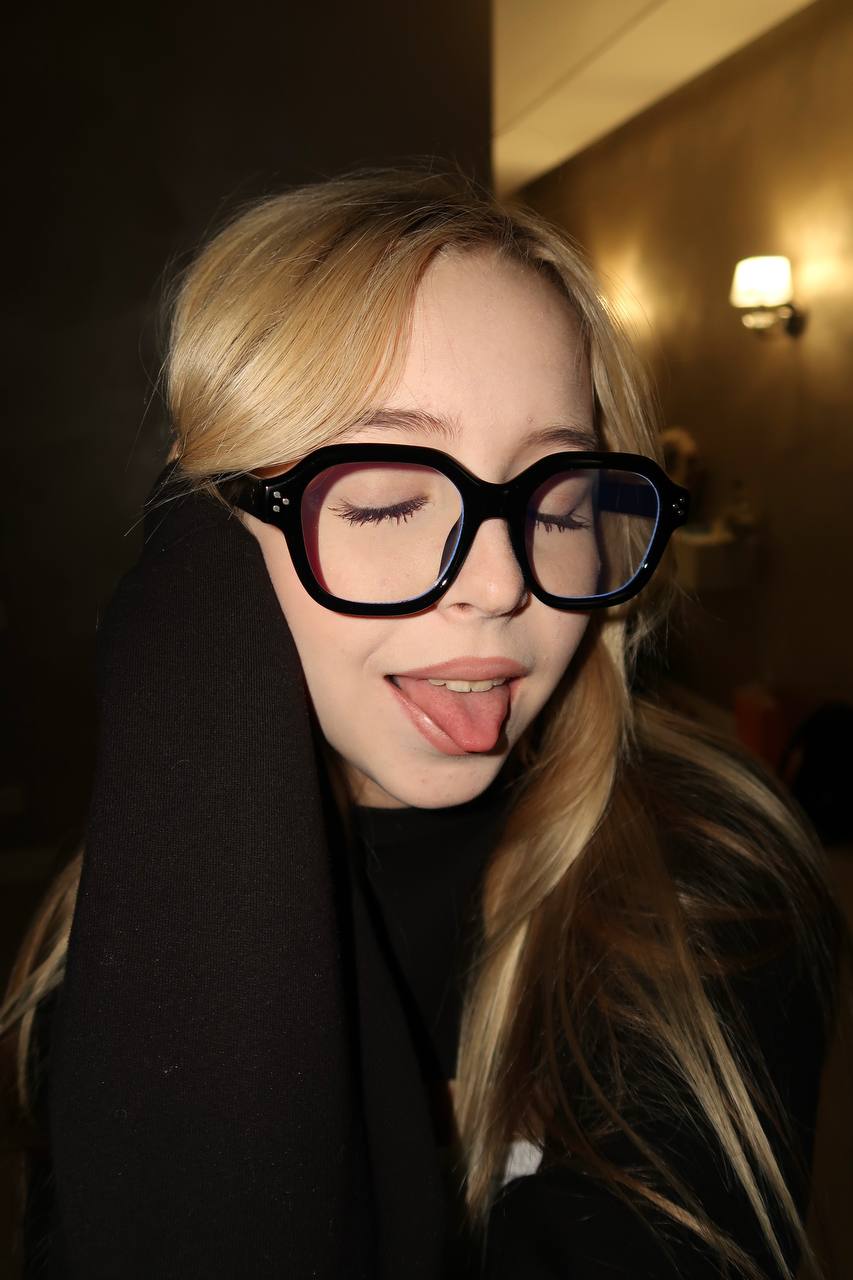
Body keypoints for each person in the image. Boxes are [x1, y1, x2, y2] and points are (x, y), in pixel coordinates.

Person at [0, 166, 848, 1280]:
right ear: (206, 540)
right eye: (387, 498)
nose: (501, 583)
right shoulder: (116, 920)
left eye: (558, 502)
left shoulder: (702, 883)